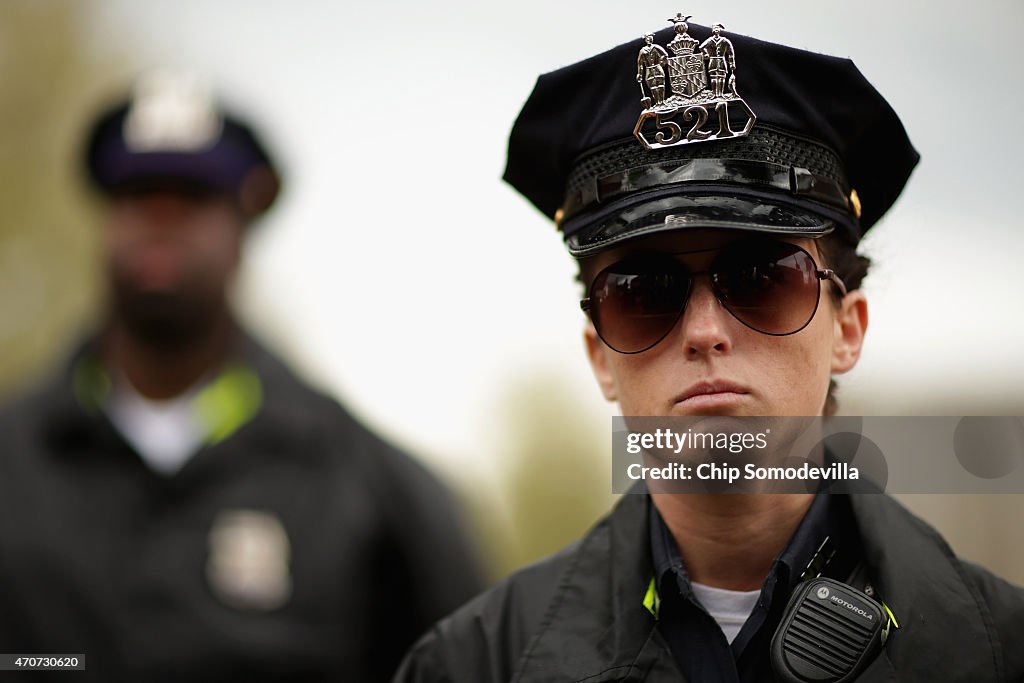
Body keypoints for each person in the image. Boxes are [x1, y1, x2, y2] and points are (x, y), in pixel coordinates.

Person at [393, 17, 1024, 683]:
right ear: (599, 357)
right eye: (642, 293)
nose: (704, 331)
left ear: (848, 328)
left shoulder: (1001, 651)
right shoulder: (470, 665)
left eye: (762, 279)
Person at [0, 71, 482, 682]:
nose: (161, 220)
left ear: (244, 226)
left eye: (193, 197)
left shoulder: (375, 492)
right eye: (139, 193)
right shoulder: (10, 465)